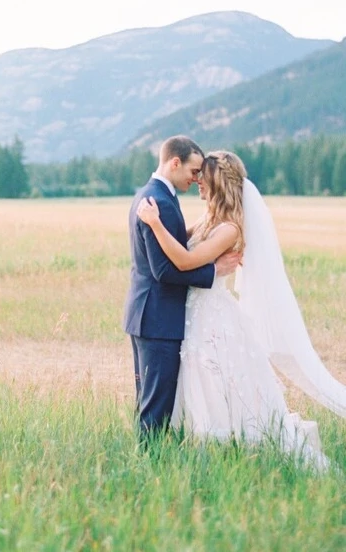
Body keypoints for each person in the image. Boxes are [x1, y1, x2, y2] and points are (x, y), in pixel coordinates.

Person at [137, 150, 346, 462]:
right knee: (197, 380)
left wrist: (154, 224)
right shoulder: (209, 218)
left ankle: (225, 450)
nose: (197, 184)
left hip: (212, 317)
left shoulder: (229, 228)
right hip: (194, 314)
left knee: (216, 380)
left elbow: (186, 260)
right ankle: (196, 446)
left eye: (203, 179)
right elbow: (181, 240)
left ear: (218, 183)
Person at [123, 136, 240, 444]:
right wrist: (214, 271)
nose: (196, 177)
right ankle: (151, 468)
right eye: (194, 170)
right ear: (175, 163)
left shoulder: (153, 195)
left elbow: (179, 241)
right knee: (155, 406)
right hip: (158, 318)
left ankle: (153, 461)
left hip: (148, 314)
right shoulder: (160, 201)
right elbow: (165, 270)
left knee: (152, 401)